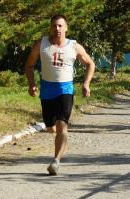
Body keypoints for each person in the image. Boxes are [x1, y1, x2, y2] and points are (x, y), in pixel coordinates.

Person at [25, 14, 95, 175]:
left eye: (60, 26)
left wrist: (86, 83)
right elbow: (29, 66)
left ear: (66, 28)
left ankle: (56, 161)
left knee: (62, 125)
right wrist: (31, 84)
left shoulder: (74, 46)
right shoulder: (40, 44)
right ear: (50, 27)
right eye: (54, 26)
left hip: (65, 90)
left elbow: (90, 63)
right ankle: (53, 133)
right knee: (50, 127)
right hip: (47, 90)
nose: (57, 29)